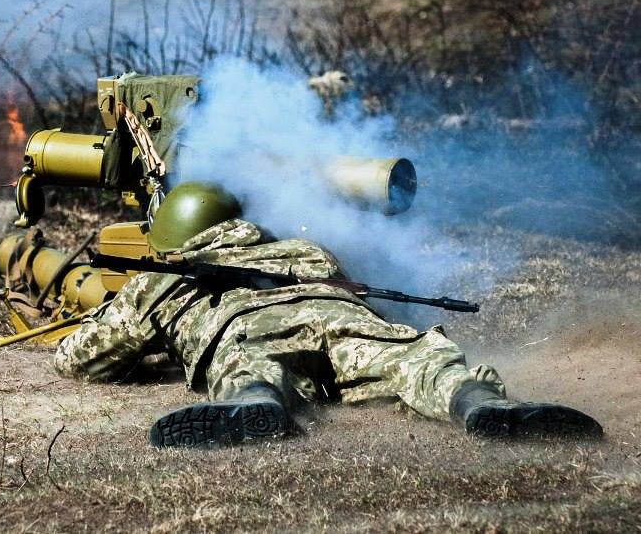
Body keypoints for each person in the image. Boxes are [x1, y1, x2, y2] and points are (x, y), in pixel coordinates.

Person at [53, 182, 603, 447]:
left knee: (252, 368)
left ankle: (256, 402)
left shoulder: (163, 278)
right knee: (413, 359)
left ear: (173, 235)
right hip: (343, 319)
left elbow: (85, 360)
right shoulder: (304, 252)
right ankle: (476, 400)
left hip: (250, 332)